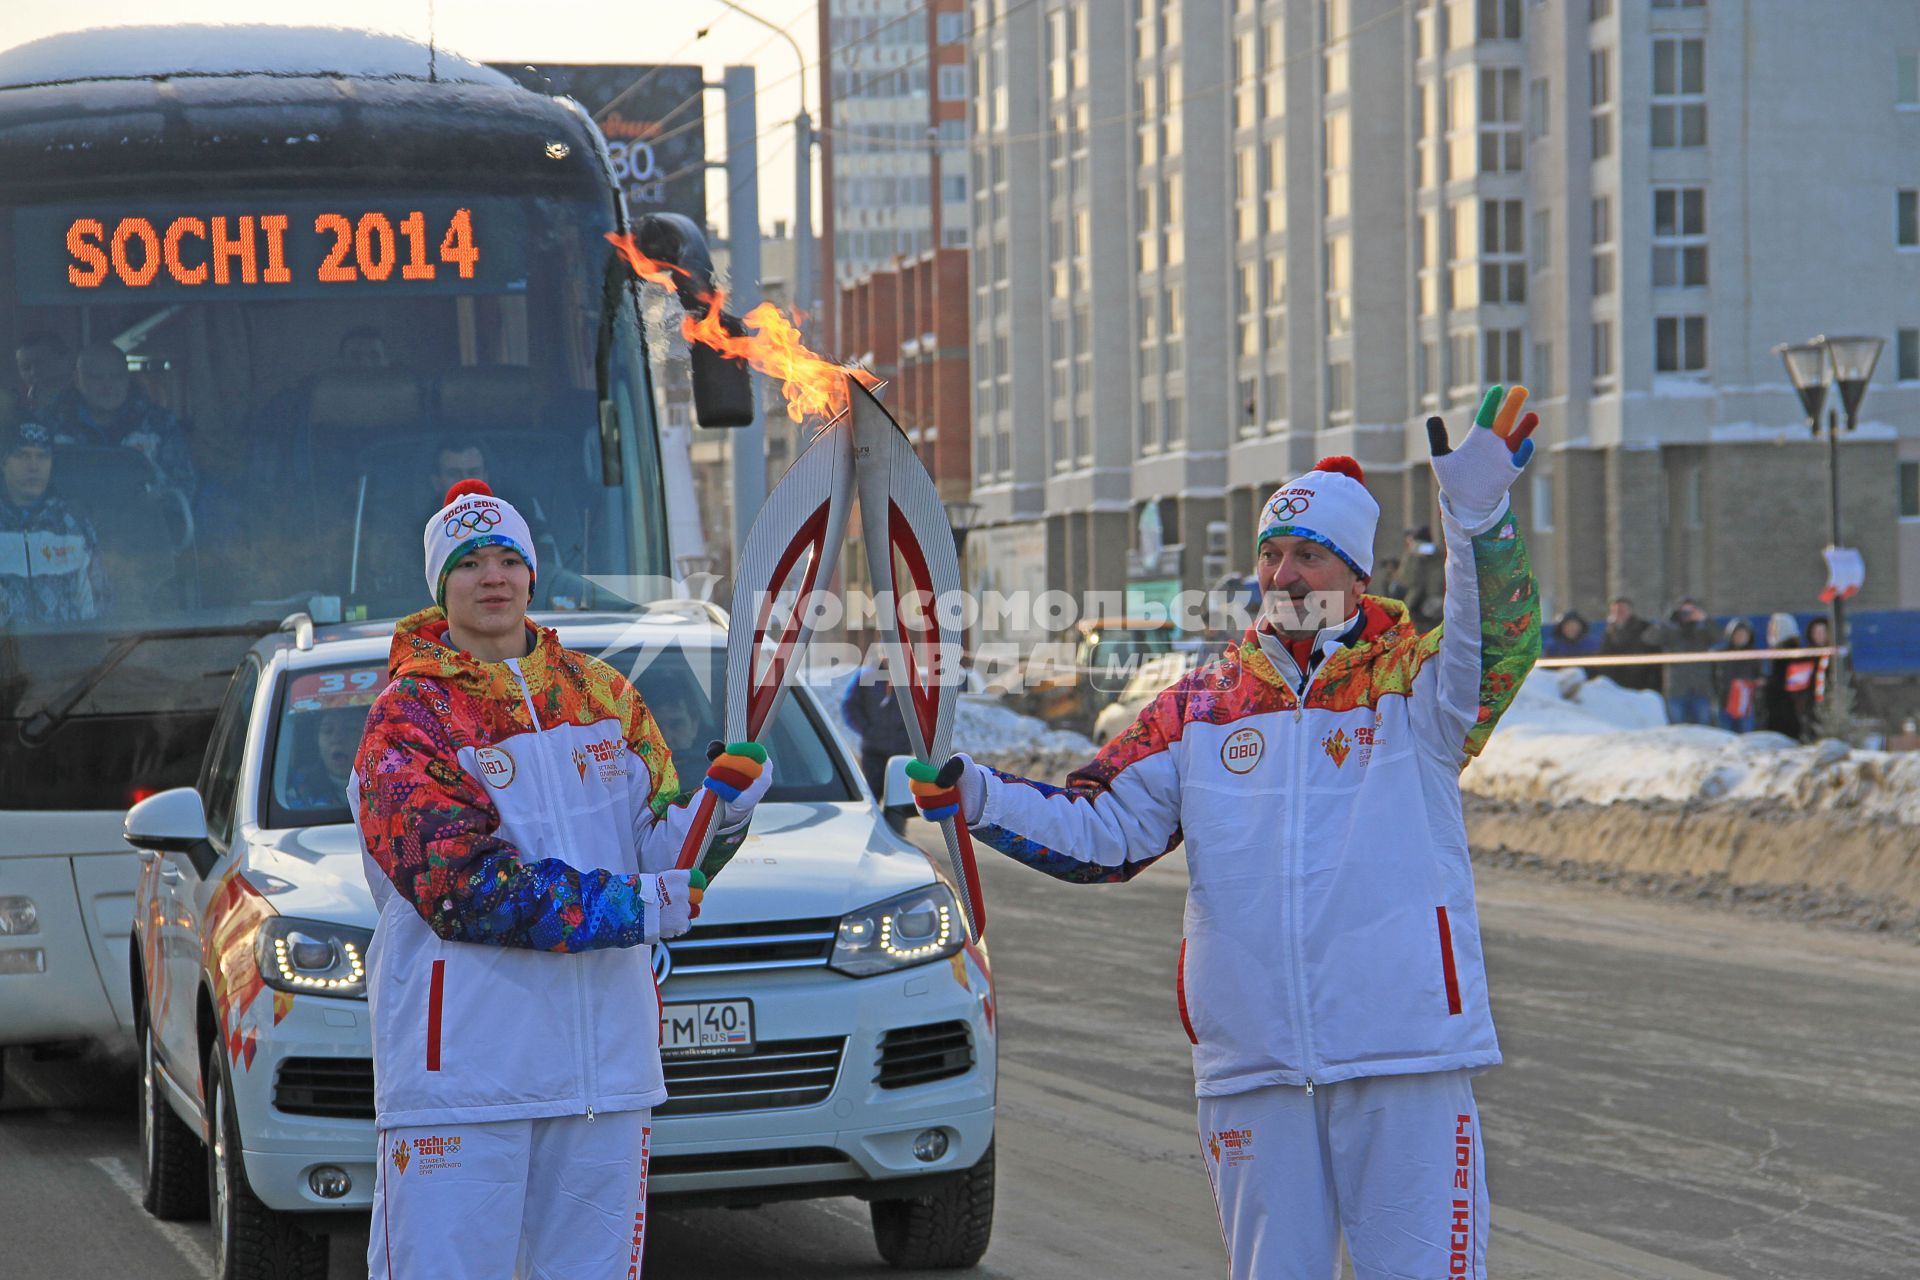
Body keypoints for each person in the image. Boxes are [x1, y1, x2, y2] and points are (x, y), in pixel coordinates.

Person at [909, 386, 1543, 1280]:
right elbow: (1104, 830)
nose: (1284, 576)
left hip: (1402, 1051)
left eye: (1311, 558)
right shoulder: (1200, 707)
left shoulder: (1416, 690)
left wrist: (1476, 519)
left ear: (1358, 576)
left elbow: (1501, 645)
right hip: (1253, 1065)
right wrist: (978, 796)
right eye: (1273, 554)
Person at [350, 478, 774, 1278]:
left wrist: (725, 813)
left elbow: (659, 856)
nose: (493, 576)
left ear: (533, 573)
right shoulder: (410, 717)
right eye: (470, 562)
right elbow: (461, 889)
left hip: (604, 1077)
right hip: (466, 1080)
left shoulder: (602, 695)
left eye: (509, 557)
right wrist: (639, 906)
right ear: (442, 586)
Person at [0, 418, 107, 625]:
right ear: (3, 462)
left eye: (42, 457)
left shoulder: (75, 528)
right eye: (22, 455)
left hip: (69, 654)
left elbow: (97, 612)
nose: (33, 466)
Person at [63, 340, 197, 497]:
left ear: (128, 378)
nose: (108, 385)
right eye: (96, 377)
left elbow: (184, 488)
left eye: (116, 376)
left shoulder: (160, 424)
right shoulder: (56, 426)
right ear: (77, 380)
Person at [842, 650, 914, 805]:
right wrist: (867, 729)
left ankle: (896, 828)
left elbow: (920, 711)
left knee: (898, 802)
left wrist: (909, 735)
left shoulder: (909, 679)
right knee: (872, 799)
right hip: (873, 750)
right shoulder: (866, 676)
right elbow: (850, 706)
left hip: (901, 751)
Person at [1659, 598, 1717, 726]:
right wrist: (1667, 621)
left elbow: (1720, 636)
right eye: (1684, 611)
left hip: (1700, 688)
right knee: (1677, 729)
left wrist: (1705, 619)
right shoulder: (1670, 630)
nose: (1687, 614)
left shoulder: (1703, 630)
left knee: (1704, 729)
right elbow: (1650, 638)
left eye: (1691, 611)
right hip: (1676, 689)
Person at [13, 330, 80, 426]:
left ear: (67, 359)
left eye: (41, 363)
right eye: (25, 367)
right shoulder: (14, 406)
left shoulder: (90, 399)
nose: (34, 372)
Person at [1598, 597, 1661, 693]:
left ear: (1630, 610)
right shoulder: (1609, 631)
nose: (1619, 613)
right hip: (1616, 683)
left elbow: (1654, 653)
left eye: (1622, 609)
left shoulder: (1644, 628)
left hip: (1641, 681)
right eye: (1615, 610)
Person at [1760, 612, 1807, 740]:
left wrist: (1767, 684)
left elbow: (1782, 680)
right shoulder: (1778, 650)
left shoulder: (1788, 651)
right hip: (1782, 706)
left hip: (1785, 709)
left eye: (1773, 628)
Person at [1711, 618, 1763, 733]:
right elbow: (1712, 676)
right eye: (1738, 634)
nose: (1741, 637)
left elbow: (1761, 676)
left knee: (1746, 735)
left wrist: (1755, 683)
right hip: (1724, 703)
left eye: (1744, 634)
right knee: (1724, 735)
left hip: (1745, 705)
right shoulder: (1720, 653)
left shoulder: (1754, 655)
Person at [1399, 525, 1445, 631]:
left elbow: (1426, 549)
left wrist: (1411, 544)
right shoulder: (1419, 558)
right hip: (1422, 597)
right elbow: (1405, 575)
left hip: (1435, 597)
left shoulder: (1433, 550)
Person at [1796, 616, 1835, 738]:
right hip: (1810, 704)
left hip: (1830, 702)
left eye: (1823, 632)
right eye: (1816, 632)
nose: (1819, 635)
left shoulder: (1835, 654)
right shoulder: (1806, 655)